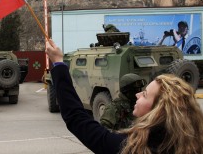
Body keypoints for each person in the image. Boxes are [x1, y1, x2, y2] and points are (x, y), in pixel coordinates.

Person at [45, 39, 203, 154]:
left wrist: (58, 63)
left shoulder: (131, 147)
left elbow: (77, 118)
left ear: (158, 110)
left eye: (145, 94)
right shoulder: (193, 143)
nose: (138, 94)